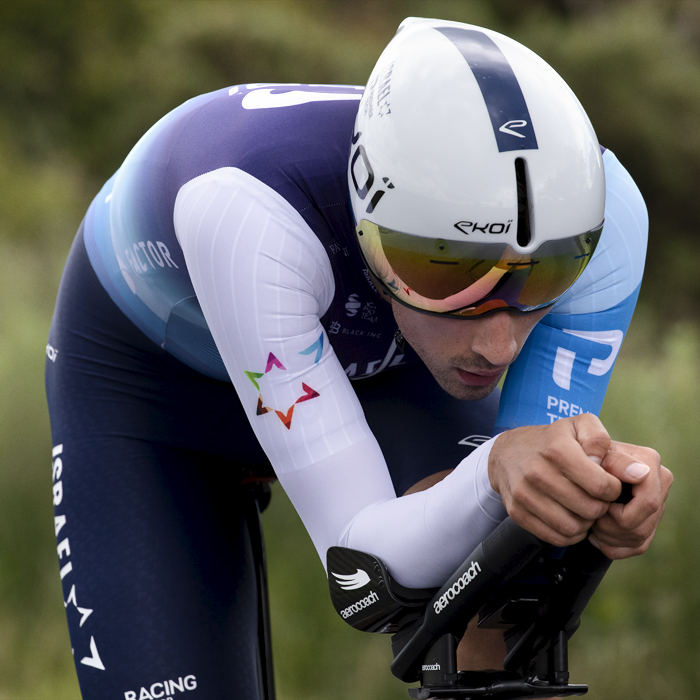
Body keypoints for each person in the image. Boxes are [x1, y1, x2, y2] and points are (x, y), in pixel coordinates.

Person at [45, 16, 672, 700]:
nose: (500, 344)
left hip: (386, 359)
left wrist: (588, 498)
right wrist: (495, 468)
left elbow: (524, 514)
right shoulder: (248, 216)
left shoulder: (608, 223)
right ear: (365, 227)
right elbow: (364, 577)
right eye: (445, 274)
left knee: (504, 594)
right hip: (149, 379)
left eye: (545, 279)